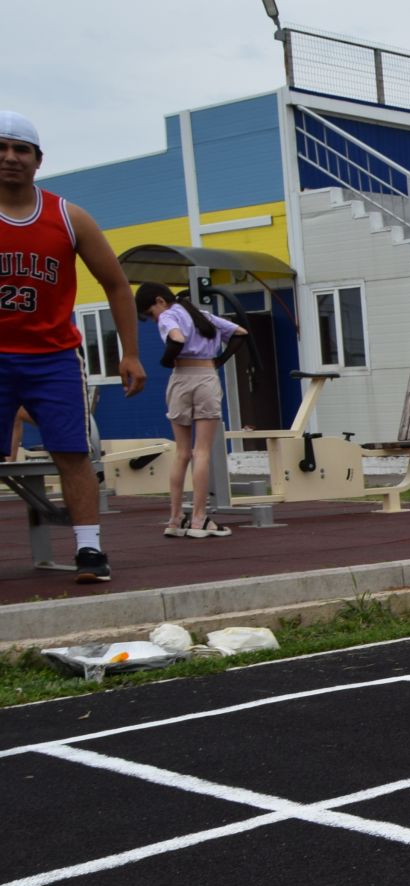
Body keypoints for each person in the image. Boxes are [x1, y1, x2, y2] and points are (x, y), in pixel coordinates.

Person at [0, 111, 146, 582]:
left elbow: (117, 285)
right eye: (2, 148)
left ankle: (89, 552)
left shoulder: (68, 216)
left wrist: (130, 353)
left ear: (38, 159)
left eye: (21, 149)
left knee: (72, 451)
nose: (10, 158)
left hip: (53, 356)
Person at [135, 282, 245, 538]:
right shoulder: (203, 316)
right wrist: (220, 360)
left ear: (160, 301)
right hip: (206, 376)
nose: (155, 319)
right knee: (202, 451)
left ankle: (174, 519)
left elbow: (176, 338)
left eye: (151, 313)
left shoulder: (168, 315)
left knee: (182, 452)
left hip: (180, 378)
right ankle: (198, 519)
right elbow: (240, 333)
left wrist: (164, 360)